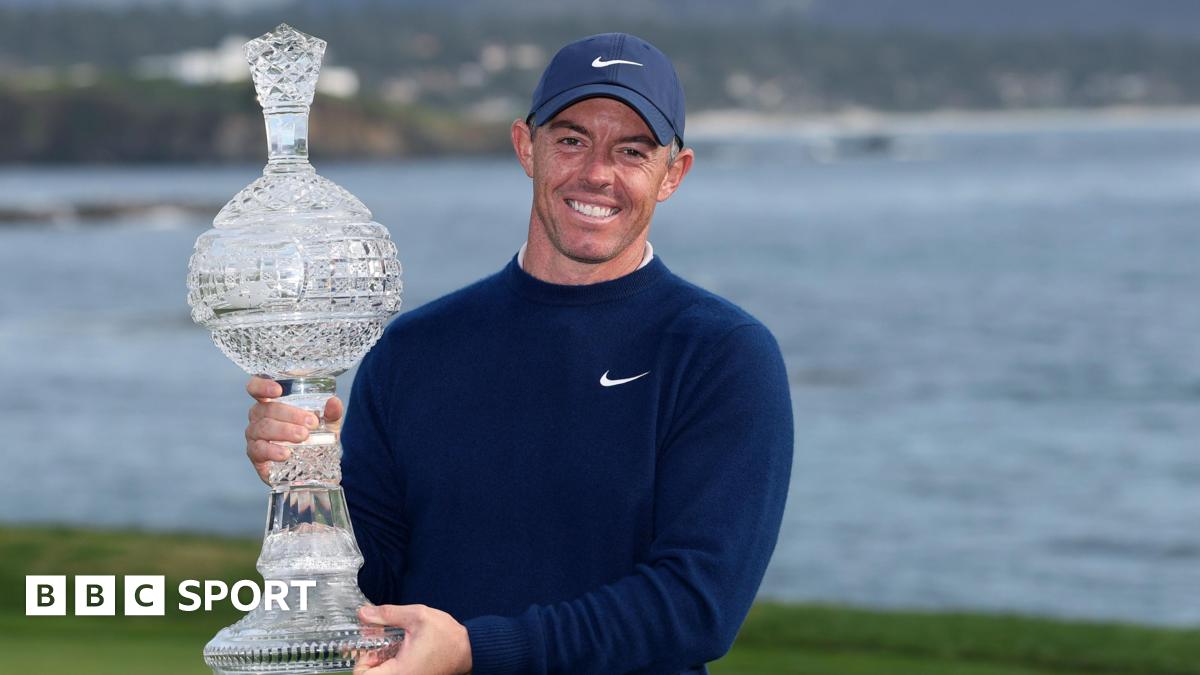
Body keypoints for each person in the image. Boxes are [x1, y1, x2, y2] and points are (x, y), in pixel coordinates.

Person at [244, 32, 793, 675]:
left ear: (674, 173)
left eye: (633, 150)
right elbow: (359, 597)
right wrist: (307, 484)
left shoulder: (721, 355)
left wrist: (477, 652)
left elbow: (697, 606)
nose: (596, 173)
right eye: (571, 139)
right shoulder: (414, 350)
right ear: (524, 146)